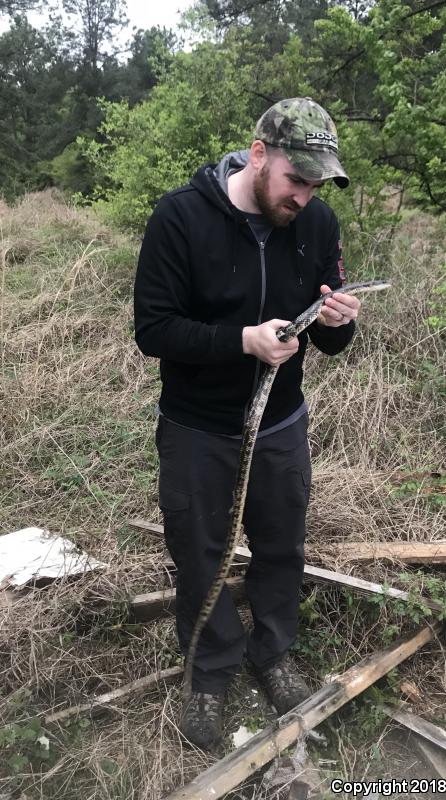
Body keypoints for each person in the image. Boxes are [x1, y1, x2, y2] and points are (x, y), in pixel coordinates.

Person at [134, 97, 362, 749]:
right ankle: (209, 672)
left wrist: (337, 321)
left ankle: (273, 651)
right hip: (197, 426)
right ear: (259, 155)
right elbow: (154, 330)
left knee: (282, 542)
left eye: (318, 184)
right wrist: (242, 340)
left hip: (280, 422)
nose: (306, 197)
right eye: (297, 179)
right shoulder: (180, 218)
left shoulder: (317, 226)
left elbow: (328, 342)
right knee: (200, 552)